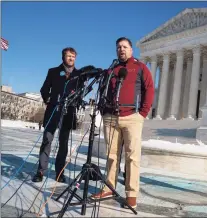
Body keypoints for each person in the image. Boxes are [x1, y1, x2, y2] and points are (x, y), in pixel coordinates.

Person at [91, 37, 154, 209]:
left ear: (131, 50)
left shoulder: (140, 67)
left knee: (132, 156)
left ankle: (131, 194)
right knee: (111, 156)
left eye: (125, 47)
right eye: (118, 47)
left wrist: (142, 113)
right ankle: (109, 188)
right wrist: (104, 112)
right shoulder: (111, 69)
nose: (121, 49)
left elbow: (149, 89)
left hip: (132, 117)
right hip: (111, 117)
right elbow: (103, 89)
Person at [32, 47, 81, 183]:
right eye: (68, 56)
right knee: (47, 140)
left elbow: (81, 93)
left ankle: (60, 173)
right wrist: (49, 100)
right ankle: (41, 171)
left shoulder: (79, 74)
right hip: (53, 110)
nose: (71, 58)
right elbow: (44, 89)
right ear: (63, 57)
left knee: (63, 143)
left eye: (73, 56)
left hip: (68, 113)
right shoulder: (53, 71)